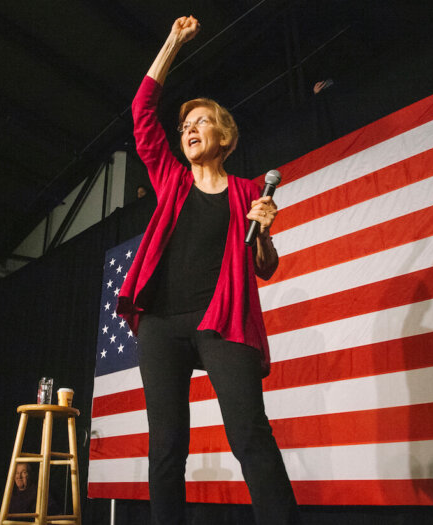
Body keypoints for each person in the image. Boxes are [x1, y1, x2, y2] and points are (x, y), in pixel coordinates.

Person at [115, 15, 298, 525]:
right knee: (167, 445)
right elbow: (141, 112)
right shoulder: (171, 178)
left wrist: (264, 231)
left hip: (221, 321)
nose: (190, 130)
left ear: (225, 135)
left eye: (200, 122)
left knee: (250, 435)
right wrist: (172, 42)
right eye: (185, 127)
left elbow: (265, 268)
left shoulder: (248, 192)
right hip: (161, 323)